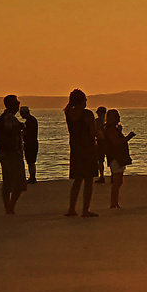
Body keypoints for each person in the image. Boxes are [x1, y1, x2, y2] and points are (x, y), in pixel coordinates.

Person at [65, 89, 100, 217]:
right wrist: (101, 135)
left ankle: (72, 208)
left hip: (75, 149)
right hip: (88, 148)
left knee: (77, 180)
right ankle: (86, 209)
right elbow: (93, 131)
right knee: (89, 180)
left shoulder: (68, 113)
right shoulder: (87, 114)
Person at [0, 95, 27, 214]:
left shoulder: (3, 118)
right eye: (16, 102)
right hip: (13, 154)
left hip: (4, 154)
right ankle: (10, 206)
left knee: (8, 181)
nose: (18, 103)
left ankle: (8, 207)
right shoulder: (10, 119)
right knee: (20, 183)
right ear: (10, 104)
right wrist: (20, 128)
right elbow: (11, 133)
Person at [104, 108, 134, 209]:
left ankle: (115, 202)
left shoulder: (114, 129)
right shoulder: (110, 129)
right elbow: (115, 142)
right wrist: (128, 138)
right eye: (116, 116)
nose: (118, 118)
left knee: (119, 181)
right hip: (115, 157)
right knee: (117, 181)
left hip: (118, 157)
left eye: (118, 116)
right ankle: (113, 203)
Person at [19, 105, 39, 182]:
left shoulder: (30, 121)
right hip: (32, 142)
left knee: (30, 161)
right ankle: (32, 176)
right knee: (31, 161)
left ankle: (32, 177)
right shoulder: (31, 120)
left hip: (30, 143)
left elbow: (29, 132)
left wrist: (22, 129)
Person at [93, 106, 109, 183]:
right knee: (110, 159)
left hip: (100, 142)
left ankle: (102, 176)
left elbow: (95, 131)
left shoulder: (97, 121)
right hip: (108, 141)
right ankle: (112, 176)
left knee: (100, 160)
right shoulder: (108, 121)